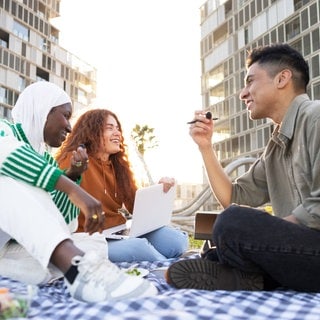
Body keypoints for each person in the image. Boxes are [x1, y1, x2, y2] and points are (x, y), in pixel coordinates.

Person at [166, 43, 320, 292]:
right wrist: (205, 146)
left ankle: (246, 273)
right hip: (306, 253)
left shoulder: (316, 118)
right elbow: (234, 197)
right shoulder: (275, 147)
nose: (243, 94)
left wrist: (264, 237)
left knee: (233, 225)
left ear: (282, 79)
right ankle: (248, 277)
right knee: (220, 240)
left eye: (250, 82)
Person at [0, 81, 157, 303]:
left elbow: (60, 222)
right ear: (44, 110)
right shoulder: (5, 131)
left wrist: (72, 175)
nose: (69, 127)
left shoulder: (45, 159)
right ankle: (77, 272)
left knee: (94, 244)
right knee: (6, 186)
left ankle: (69, 269)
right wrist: (72, 188)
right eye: (65, 116)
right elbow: (6, 153)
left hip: (12, 248)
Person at [55, 108, 189, 262]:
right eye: (110, 128)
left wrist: (159, 190)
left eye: (118, 128)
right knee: (140, 249)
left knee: (176, 241)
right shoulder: (74, 160)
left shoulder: (119, 166)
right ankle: (170, 269)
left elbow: (136, 207)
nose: (117, 133)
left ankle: (169, 261)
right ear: (91, 132)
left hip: (118, 230)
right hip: (89, 238)